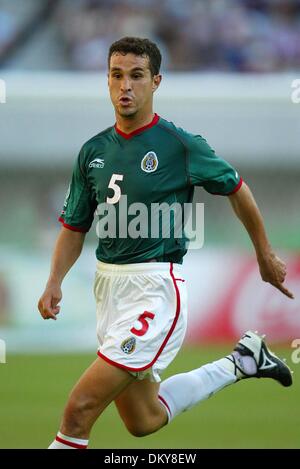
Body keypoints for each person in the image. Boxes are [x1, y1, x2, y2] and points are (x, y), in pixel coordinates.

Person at [38, 37, 294, 450]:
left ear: (155, 81)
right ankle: (243, 362)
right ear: (106, 81)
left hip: (155, 291)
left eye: (136, 76)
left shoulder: (179, 144)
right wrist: (54, 280)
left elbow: (237, 188)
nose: (125, 86)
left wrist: (264, 255)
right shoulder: (93, 152)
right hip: (109, 290)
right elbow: (74, 225)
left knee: (79, 409)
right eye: (117, 75)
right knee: (144, 419)